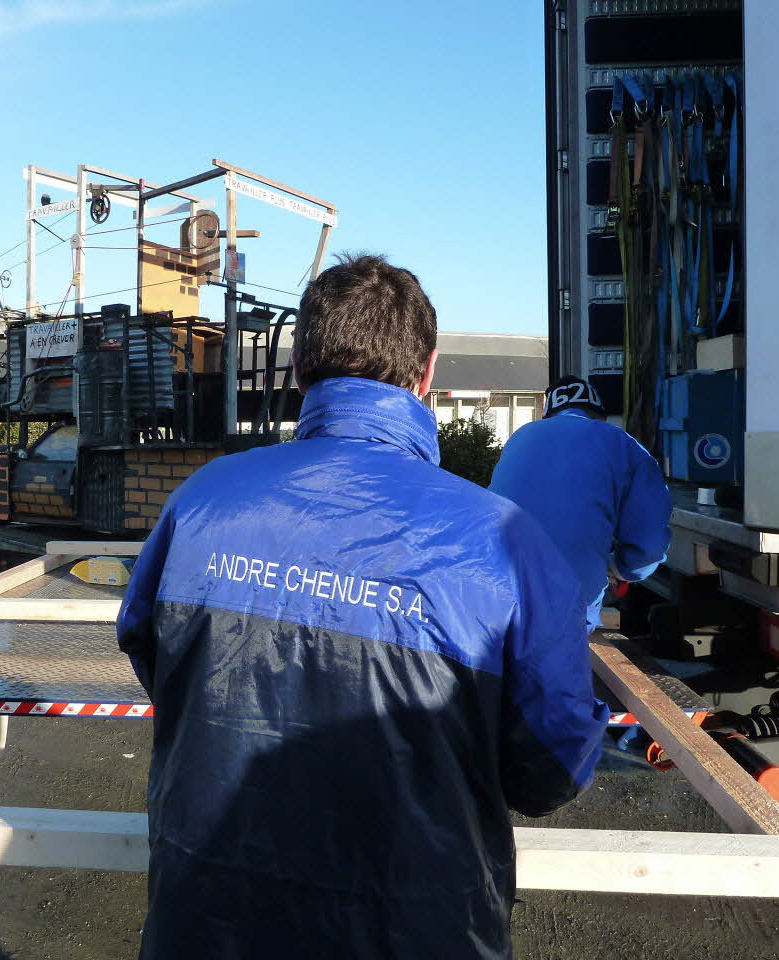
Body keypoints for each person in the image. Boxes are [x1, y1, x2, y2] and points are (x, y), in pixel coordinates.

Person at [117, 254, 607, 960]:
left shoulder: (204, 501)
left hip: (208, 920)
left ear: (298, 369)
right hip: (419, 928)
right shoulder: (505, 543)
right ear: (427, 373)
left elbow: (158, 658)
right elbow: (550, 770)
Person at [489, 376, 673, 634]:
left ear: (548, 415)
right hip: (566, 609)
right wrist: (621, 569)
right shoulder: (622, 443)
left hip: (492, 592)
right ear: (601, 417)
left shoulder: (519, 438)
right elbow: (649, 546)